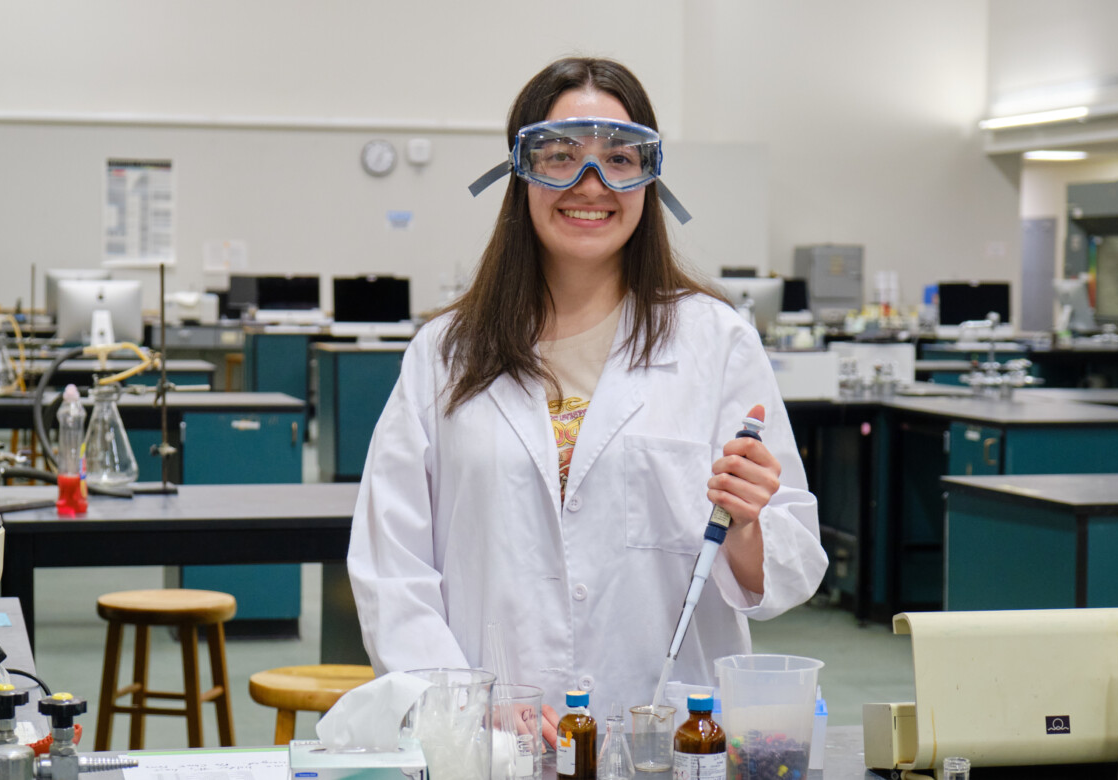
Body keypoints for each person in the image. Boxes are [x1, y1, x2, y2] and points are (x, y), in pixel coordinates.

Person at [347, 57, 827, 732]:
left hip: (665, 733)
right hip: (498, 741)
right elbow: (391, 565)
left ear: (650, 176)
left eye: (621, 158)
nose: (590, 183)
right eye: (561, 155)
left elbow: (792, 561)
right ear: (520, 171)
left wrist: (747, 524)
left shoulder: (715, 342)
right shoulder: (446, 353)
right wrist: (465, 707)